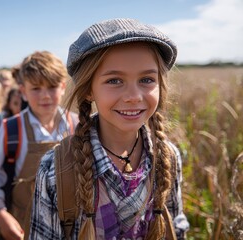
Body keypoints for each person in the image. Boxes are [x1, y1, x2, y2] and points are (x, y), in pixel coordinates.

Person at [29, 18, 189, 239]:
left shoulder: (168, 157)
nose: (134, 97)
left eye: (146, 79)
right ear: (88, 90)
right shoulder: (55, 169)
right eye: (114, 81)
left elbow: (176, 228)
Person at [0, 51, 78, 239]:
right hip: (24, 224)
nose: (45, 96)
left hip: (70, 226)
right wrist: (0, 213)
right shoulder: (12, 129)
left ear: (63, 87)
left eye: (52, 87)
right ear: (23, 91)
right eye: (36, 89)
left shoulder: (76, 125)